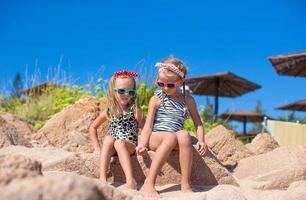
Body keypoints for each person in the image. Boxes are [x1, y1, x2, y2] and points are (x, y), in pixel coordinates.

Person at [137, 57, 208, 197]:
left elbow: (198, 123)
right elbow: (148, 126)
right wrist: (142, 144)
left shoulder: (188, 100)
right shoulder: (156, 99)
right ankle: (148, 183)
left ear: (181, 82)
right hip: (156, 137)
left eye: (170, 85)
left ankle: (185, 183)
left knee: (184, 134)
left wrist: (201, 140)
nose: (165, 88)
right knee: (170, 137)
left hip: (175, 138)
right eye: (160, 84)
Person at [89, 70, 145, 190]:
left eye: (130, 92)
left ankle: (130, 180)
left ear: (134, 93)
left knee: (119, 143)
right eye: (121, 91)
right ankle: (102, 178)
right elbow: (93, 127)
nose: (126, 94)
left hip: (128, 145)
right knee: (109, 139)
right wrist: (97, 148)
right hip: (113, 145)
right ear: (113, 91)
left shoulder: (134, 110)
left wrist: (142, 146)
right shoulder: (109, 110)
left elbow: (145, 129)